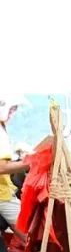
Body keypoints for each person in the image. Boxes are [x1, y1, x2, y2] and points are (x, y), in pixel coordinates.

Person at [0, 94, 30, 228]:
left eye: (15, 109)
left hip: (5, 189)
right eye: (11, 109)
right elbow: (2, 167)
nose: (13, 113)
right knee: (29, 231)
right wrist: (30, 161)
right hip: (2, 194)